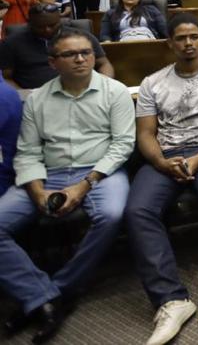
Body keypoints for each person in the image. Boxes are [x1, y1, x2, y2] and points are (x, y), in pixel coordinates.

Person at [0, 27, 133, 343]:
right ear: (52, 62)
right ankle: (41, 295)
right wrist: (36, 190)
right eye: (70, 54)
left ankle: (54, 292)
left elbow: (122, 145)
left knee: (111, 215)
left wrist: (84, 184)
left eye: (85, 53)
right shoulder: (37, 99)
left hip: (101, 171)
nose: (80, 59)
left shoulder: (115, 92)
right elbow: (28, 151)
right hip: (49, 173)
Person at [125, 14, 198, 344]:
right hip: (166, 155)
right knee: (138, 210)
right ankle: (171, 299)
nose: (188, 43)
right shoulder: (152, 83)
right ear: (170, 43)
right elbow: (146, 133)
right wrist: (162, 162)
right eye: (181, 38)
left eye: (194, 36)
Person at [1, 4, 113, 90]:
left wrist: (104, 85)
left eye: (52, 25)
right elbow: (6, 77)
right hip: (33, 96)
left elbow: (104, 64)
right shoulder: (12, 42)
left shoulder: (82, 37)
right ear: (29, 23)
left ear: (60, 20)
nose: (47, 30)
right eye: (40, 27)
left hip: (82, 92)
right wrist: (22, 95)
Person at [99, 0, 167, 42]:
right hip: (124, 44)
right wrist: (107, 42)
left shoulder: (151, 10)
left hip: (149, 42)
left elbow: (163, 28)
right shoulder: (110, 14)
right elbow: (105, 34)